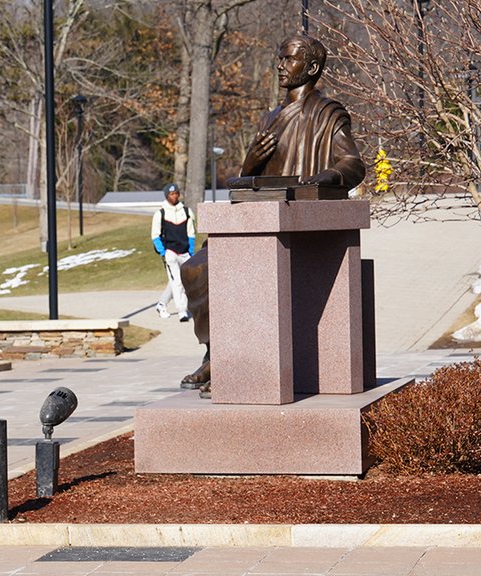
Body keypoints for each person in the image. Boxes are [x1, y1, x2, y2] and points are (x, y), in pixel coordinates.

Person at [179, 33, 365, 389]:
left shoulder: (327, 114)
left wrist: (326, 176)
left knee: (247, 268)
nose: (281, 65)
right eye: (280, 58)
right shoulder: (269, 119)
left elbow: (353, 163)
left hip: (295, 225)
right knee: (195, 269)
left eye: (290, 59)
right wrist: (249, 163)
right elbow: (248, 180)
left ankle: (232, 364)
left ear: (311, 67)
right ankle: (214, 351)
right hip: (258, 217)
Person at [151, 183, 195, 321]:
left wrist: (191, 251)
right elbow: (155, 235)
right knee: (177, 282)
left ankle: (161, 304)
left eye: (176, 193)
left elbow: (191, 233)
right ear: (166, 195)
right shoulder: (160, 214)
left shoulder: (187, 212)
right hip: (170, 252)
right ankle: (182, 311)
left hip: (185, 253)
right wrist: (163, 252)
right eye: (171, 194)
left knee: (183, 281)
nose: (174, 196)